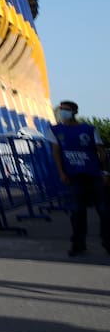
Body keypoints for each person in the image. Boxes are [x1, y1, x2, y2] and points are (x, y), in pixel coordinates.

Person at [49, 99, 109, 256]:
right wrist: (61, 173)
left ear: (74, 112)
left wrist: (105, 172)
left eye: (66, 109)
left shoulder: (88, 129)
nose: (63, 112)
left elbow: (101, 152)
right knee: (77, 211)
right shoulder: (55, 131)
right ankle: (78, 243)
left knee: (104, 210)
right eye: (61, 109)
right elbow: (56, 153)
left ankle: (108, 241)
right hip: (74, 177)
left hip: (94, 175)